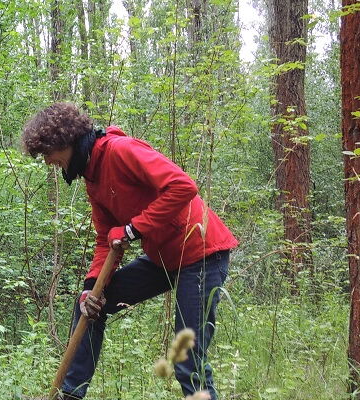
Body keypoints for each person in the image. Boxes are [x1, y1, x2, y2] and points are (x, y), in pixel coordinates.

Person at [21, 103, 238, 399]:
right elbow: (104, 240)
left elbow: (183, 186)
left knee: (186, 358)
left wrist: (134, 228)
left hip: (201, 253)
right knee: (90, 304)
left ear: (65, 141)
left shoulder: (120, 150)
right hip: (164, 257)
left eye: (48, 153)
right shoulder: (93, 178)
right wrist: (90, 287)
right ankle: (71, 394)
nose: (47, 161)